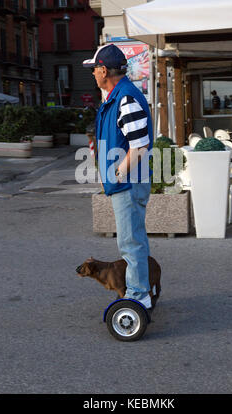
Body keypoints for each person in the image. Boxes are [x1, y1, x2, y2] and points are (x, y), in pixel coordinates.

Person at [83, 44, 154, 309]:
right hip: (126, 182)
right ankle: (140, 290)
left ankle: (138, 295)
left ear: (103, 70)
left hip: (128, 183)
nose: (92, 74)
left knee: (130, 242)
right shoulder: (117, 96)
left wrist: (118, 171)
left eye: (94, 69)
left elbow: (140, 144)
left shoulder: (124, 98)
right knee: (132, 240)